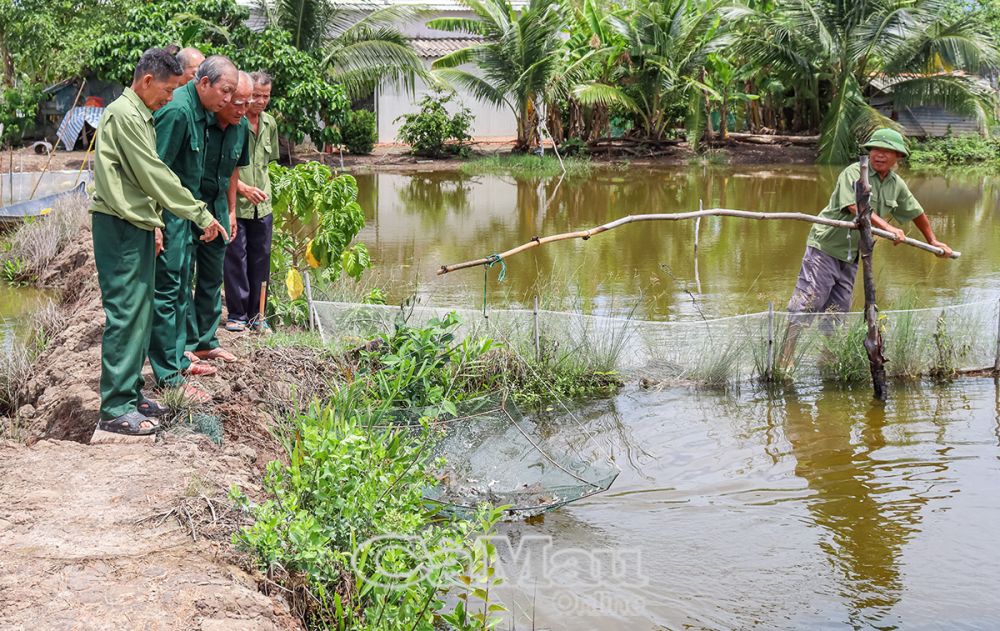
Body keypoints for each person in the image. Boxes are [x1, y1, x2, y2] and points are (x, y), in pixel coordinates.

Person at [89, 47, 228, 435]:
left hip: (134, 222)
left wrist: (154, 221)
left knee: (142, 310)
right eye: (167, 91)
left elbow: (145, 181)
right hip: (118, 225)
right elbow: (154, 174)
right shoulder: (125, 115)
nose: (169, 99)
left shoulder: (141, 115)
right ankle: (115, 407)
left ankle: (130, 394)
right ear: (147, 81)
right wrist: (199, 212)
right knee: (126, 313)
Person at [780, 128, 953, 363]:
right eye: (876, 149)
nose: (879, 155)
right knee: (808, 304)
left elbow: (916, 211)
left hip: (852, 254)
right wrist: (889, 228)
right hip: (826, 247)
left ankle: (828, 364)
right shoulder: (854, 171)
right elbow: (855, 206)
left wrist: (932, 240)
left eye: (887, 151)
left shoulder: (895, 183)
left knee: (837, 313)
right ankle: (784, 361)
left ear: (898, 157)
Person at [149, 55, 237, 402]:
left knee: (181, 283)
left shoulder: (199, 112)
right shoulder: (179, 112)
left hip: (184, 213)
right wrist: (156, 222)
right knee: (168, 289)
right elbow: (155, 170)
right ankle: (168, 373)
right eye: (225, 91)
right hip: (168, 214)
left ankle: (178, 360)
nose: (228, 101)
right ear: (204, 84)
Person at [186, 71, 252, 363]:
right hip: (190, 207)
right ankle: (184, 344)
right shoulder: (200, 122)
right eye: (236, 102)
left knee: (212, 279)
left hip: (219, 208)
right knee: (183, 276)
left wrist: (233, 210)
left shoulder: (242, 127)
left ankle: (206, 341)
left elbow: (234, 170)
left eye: (246, 103)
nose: (241, 109)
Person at [225, 70, 278, 333]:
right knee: (236, 258)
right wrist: (243, 188)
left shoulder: (269, 124)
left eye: (265, 96)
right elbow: (226, 166)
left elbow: (269, 163)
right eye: (255, 95)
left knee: (261, 260)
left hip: (263, 206)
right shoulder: (234, 122)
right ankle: (236, 314)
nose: (260, 101)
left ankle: (258, 316)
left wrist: (262, 191)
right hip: (237, 203)